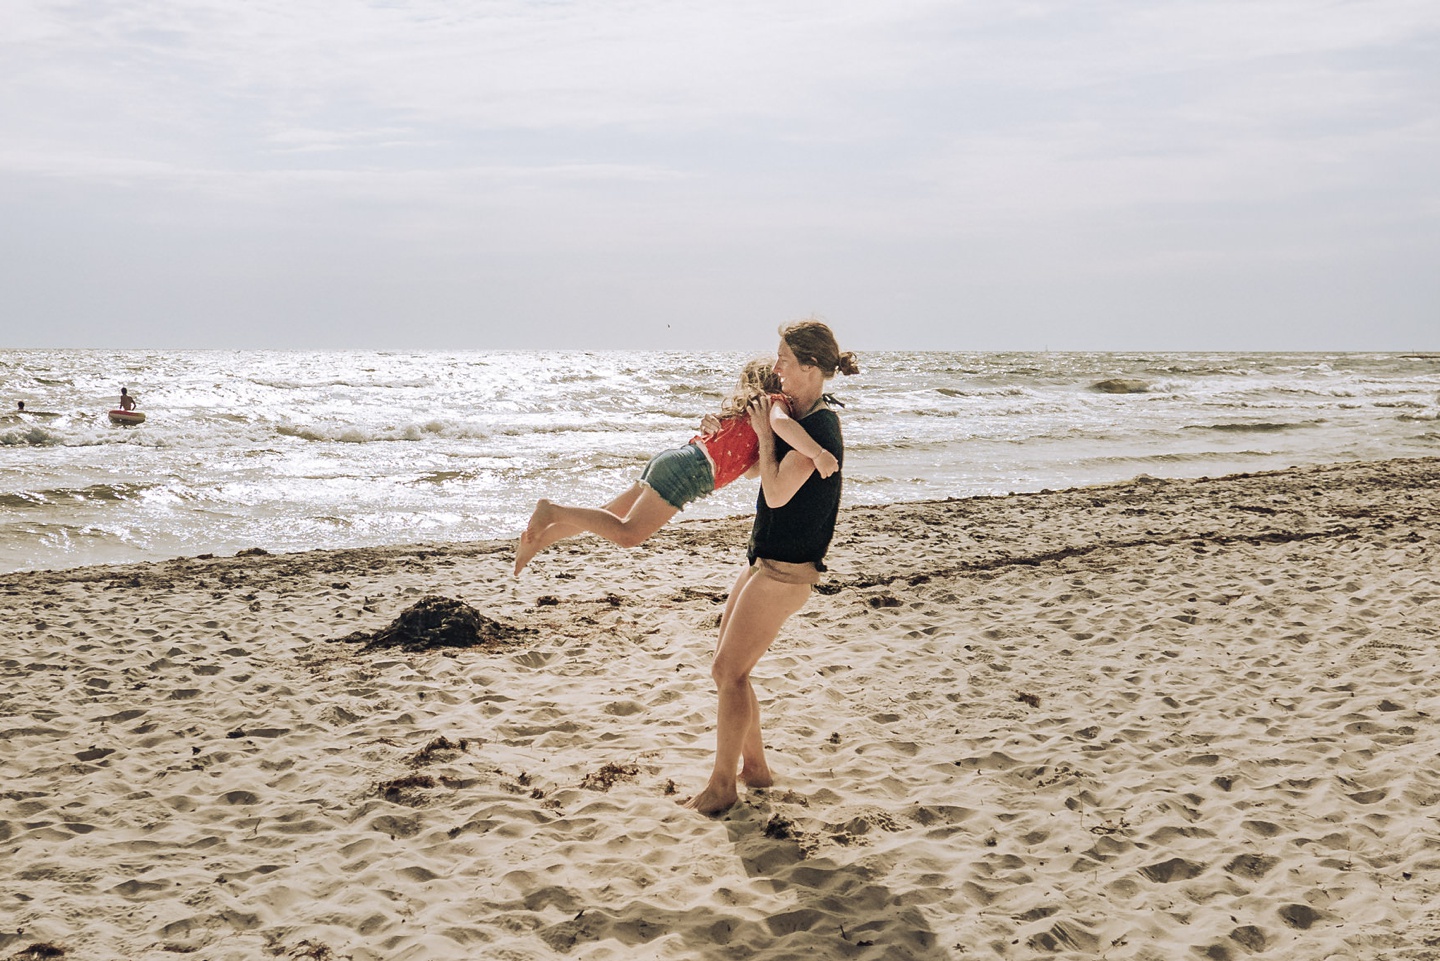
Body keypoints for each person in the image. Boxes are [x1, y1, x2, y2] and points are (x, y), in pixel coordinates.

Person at [684, 319, 858, 815]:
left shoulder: (821, 426)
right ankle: (755, 768)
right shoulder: (796, 418)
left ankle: (723, 785)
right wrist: (732, 433)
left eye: (784, 359)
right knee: (729, 669)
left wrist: (764, 433)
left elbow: (778, 494)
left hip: (787, 569)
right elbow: (764, 470)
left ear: (808, 367)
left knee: (728, 671)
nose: (776, 366)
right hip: (765, 559)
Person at [514, 359, 839, 575]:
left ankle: (540, 538)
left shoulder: (746, 414)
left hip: (676, 459)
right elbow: (782, 425)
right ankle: (552, 511)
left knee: (610, 515)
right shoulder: (774, 405)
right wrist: (818, 452)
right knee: (628, 535)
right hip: (690, 470)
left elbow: (752, 469)